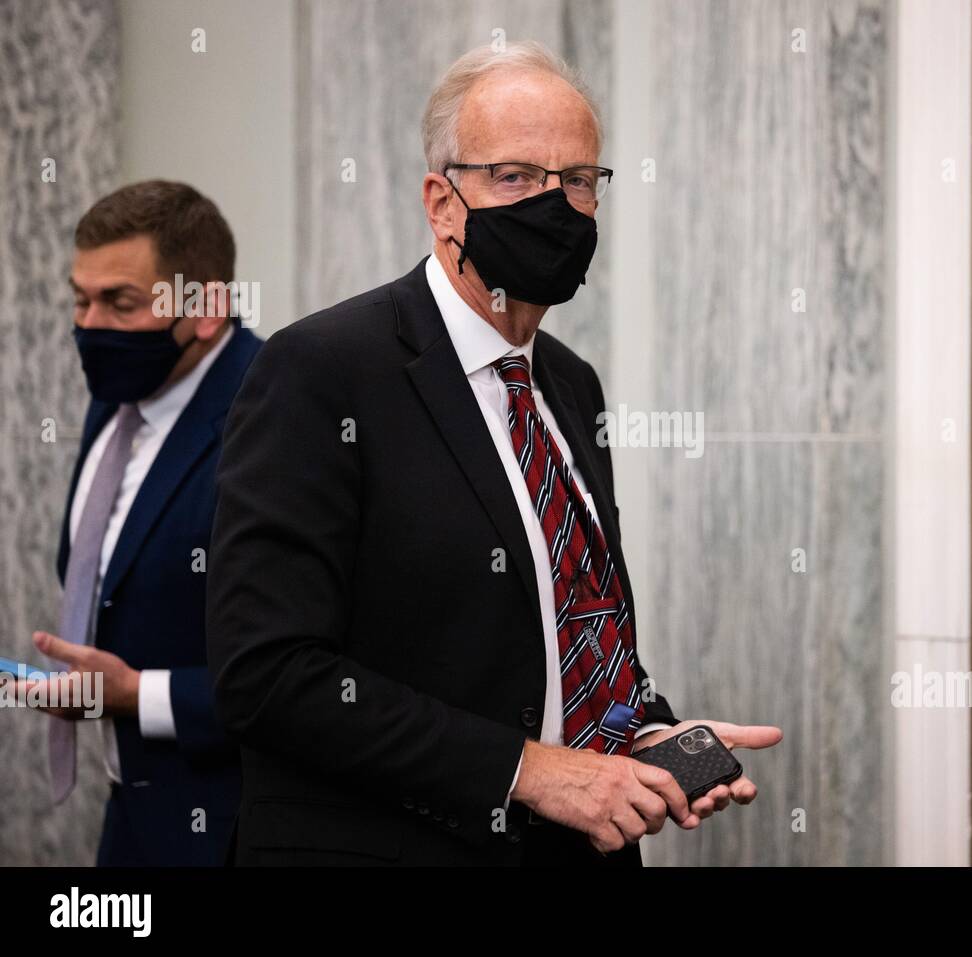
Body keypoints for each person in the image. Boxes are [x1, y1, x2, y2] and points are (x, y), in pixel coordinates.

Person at [207, 40, 781, 866]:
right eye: (515, 176)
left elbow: (567, 627)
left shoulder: (570, 384)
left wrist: (647, 732)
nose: (555, 205)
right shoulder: (322, 371)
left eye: (578, 180)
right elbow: (266, 676)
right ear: (442, 203)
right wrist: (528, 771)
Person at [29, 180, 260, 865]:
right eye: (80, 299)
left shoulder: (277, 413)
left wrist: (135, 694)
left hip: (227, 834)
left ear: (208, 308)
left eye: (120, 302)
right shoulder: (119, 398)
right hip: (127, 816)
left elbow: (306, 672)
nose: (90, 325)